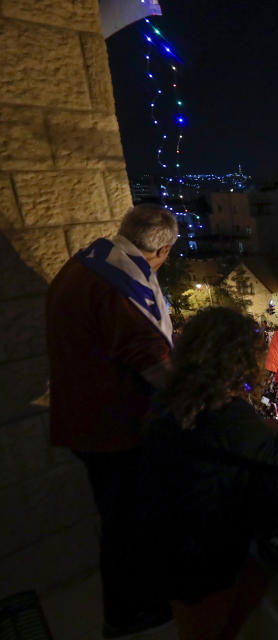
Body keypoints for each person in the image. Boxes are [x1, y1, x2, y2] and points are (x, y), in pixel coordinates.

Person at [138, 307, 278, 639]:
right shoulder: (225, 410)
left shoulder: (178, 393)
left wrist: (266, 425)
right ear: (237, 358)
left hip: (168, 534)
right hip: (204, 549)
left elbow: (236, 431)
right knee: (212, 630)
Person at [46, 203, 177, 637]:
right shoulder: (118, 291)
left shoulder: (90, 262)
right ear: (161, 250)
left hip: (86, 413)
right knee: (130, 527)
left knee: (119, 521)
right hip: (114, 427)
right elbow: (155, 367)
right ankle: (134, 615)